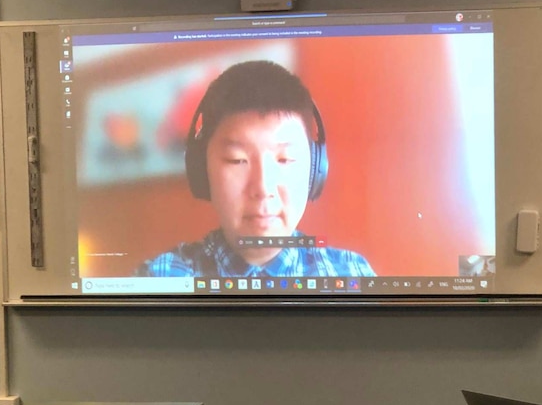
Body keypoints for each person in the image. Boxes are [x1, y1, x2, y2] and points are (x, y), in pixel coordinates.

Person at [138, 60, 375, 278]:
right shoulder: (162, 277)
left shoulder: (352, 273)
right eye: (237, 160)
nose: (263, 188)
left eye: (285, 159)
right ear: (201, 170)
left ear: (316, 169)